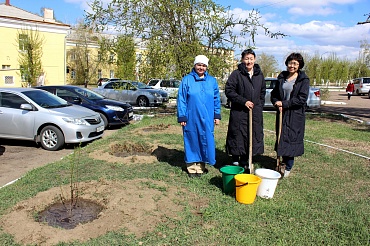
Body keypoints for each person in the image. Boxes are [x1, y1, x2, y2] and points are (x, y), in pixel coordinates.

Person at [177, 55, 221, 178]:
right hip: (191, 116)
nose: (201, 67)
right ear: (195, 65)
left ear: (206, 67)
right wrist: (182, 116)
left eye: (203, 65)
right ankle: (192, 168)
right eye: (199, 65)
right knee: (191, 139)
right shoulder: (187, 80)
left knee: (205, 139)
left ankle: (201, 167)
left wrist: (216, 115)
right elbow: (181, 99)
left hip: (207, 117)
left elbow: (216, 98)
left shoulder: (212, 81)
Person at [225, 49, 266, 172]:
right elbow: (229, 91)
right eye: (246, 58)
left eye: (251, 59)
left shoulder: (259, 75)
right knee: (237, 135)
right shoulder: (236, 74)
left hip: (254, 112)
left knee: (251, 134)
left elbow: (262, 92)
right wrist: (243, 101)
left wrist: (258, 105)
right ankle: (235, 158)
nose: (249, 61)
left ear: (255, 59)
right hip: (239, 112)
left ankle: (246, 158)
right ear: (242, 59)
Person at [270, 52, 309, 178]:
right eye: (290, 63)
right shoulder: (282, 78)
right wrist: (276, 102)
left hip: (295, 114)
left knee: (291, 139)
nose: (292, 66)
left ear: (299, 65)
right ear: (287, 63)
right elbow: (274, 94)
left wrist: (285, 103)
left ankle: (288, 165)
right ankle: (279, 162)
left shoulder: (303, 80)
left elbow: (301, 99)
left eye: (295, 64)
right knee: (281, 136)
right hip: (282, 113)